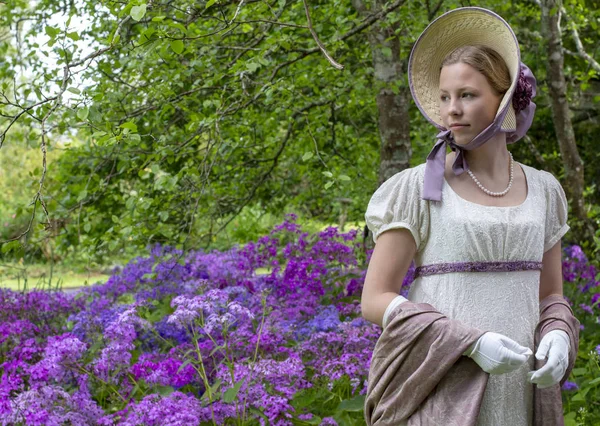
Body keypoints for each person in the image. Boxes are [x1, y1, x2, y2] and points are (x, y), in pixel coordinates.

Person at [361, 7, 579, 426]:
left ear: (504, 99)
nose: (451, 110)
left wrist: (557, 331)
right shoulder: (418, 187)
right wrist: (469, 343)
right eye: (444, 97)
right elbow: (374, 300)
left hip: (521, 387)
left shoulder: (545, 190)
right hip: (443, 381)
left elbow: (550, 295)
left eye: (467, 95)